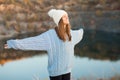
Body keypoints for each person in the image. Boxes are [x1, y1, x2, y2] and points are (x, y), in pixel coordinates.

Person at [4, 9, 84, 80]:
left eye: (67, 16)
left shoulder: (71, 34)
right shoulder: (50, 36)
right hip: (55, 73)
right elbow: (33, 42)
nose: (67, 17)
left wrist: (82, 30)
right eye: (64, 16)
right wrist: (13, 44)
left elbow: (79, 33)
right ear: (59, 20)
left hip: (67, 70)